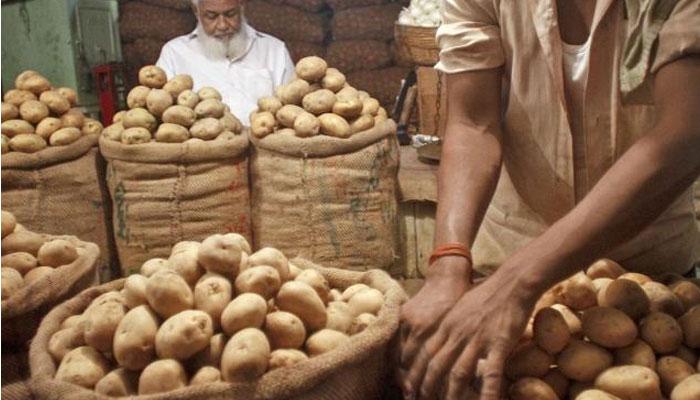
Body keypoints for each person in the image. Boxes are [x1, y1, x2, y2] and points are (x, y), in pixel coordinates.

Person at [399, 0, 700, 399]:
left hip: (648, 282)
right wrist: (449, 262)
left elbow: (683, 134)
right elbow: (473, 122)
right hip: (508, 257)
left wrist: (515, 285)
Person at [156, 0, 295, 125]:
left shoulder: (275, 50)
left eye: (230, 14)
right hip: (201, 149)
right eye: (211, 16)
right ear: (196, 11)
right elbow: (160, 109)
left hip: (265, 147)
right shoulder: (174, 53)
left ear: (242, 6)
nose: (222, 25)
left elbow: (293, 108)